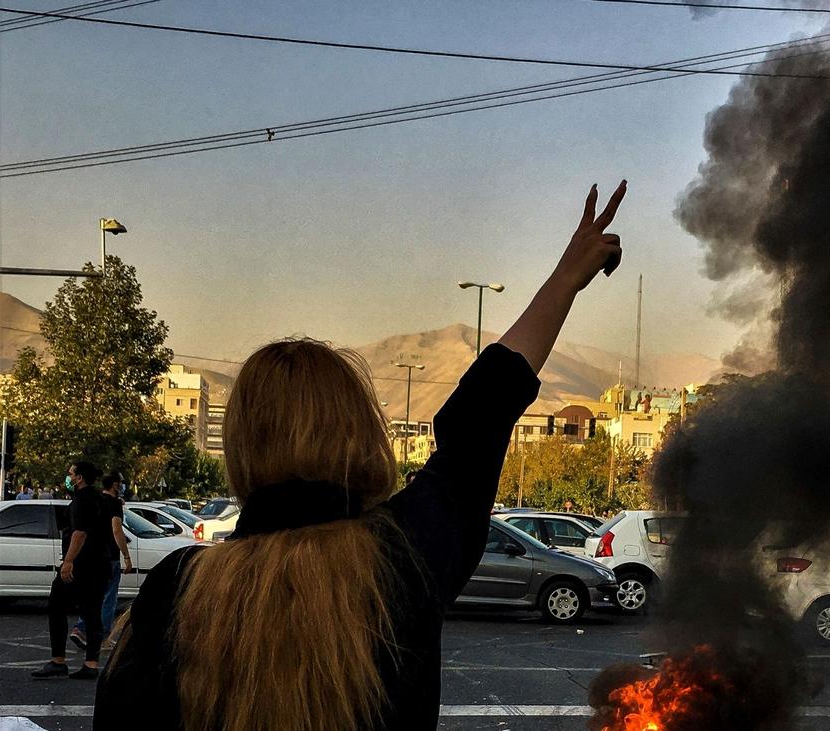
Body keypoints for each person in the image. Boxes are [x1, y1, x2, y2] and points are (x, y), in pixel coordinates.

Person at [96, 180, 628, 730]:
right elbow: (480, 414)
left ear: (241, 444)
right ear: (359, 431)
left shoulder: (177, 591)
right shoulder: (404, 555)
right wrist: (565, 279)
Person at [31, 461, 112, 680]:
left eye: (71, 474)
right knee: (92, 613)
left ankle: (58, 661)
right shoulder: (100, 499)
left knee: (56, 605)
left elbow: (80, 533)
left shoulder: (82, 500)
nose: (68, 477)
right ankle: (91, 664)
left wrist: (68, 561)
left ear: (80, 478)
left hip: (82, 566)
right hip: (100, 565)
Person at [70, 473, 132, 650]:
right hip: (109, 556)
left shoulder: (95, 500)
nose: (122, 486)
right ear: (115, 485)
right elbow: (116, 530)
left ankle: (80, 628)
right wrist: (126, 556)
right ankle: (103, 637)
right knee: (108, 597)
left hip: (91, 554)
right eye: (120, 483)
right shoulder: (114, 504)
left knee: (92, 595)